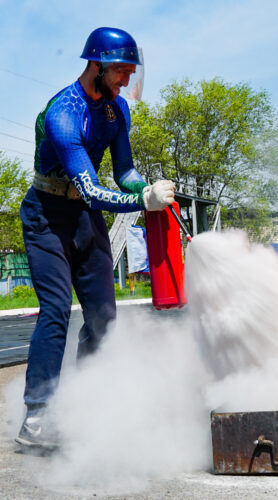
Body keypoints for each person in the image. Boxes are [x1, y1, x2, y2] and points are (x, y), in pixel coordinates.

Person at [16, 27, 175, 449]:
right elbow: (89, 188)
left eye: (129, 71)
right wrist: (145, 203)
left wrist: (146, 188)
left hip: (85, 218)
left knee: (105, 316)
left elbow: (123, 172)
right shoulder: (63, 114)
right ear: (97, 65)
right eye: (121, 71)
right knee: (55, 311)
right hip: (46, 216)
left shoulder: (117, 109)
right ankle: (37, 418)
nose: (126, 80)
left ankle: (86, 407)